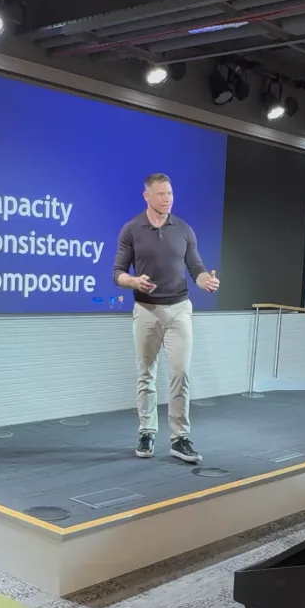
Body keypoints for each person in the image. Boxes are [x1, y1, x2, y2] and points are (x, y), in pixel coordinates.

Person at [112, 173, 220, 464]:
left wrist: (205, 281)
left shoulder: (183, 229)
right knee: (146, 374)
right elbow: (117, 273)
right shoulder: (131, 229)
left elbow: (196, 267)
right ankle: (146, 432)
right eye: (161, 194)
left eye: (170, 193)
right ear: (146, 196)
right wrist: (134, 282)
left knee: (180, 373)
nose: (167, 199)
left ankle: (180, 438)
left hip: (179, 309)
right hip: (146, 310)